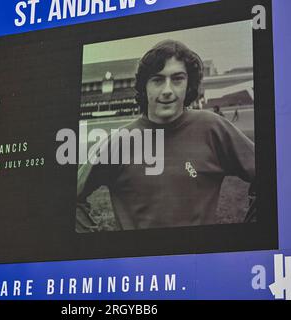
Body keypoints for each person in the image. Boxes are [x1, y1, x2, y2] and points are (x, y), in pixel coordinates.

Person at [76, 40, 255, 232]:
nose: (167, 90)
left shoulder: (213, 128)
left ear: (188, 84)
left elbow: (275, 176)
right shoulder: (120, 141)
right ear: (145, 86)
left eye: (177, 79)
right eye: (157, 80)